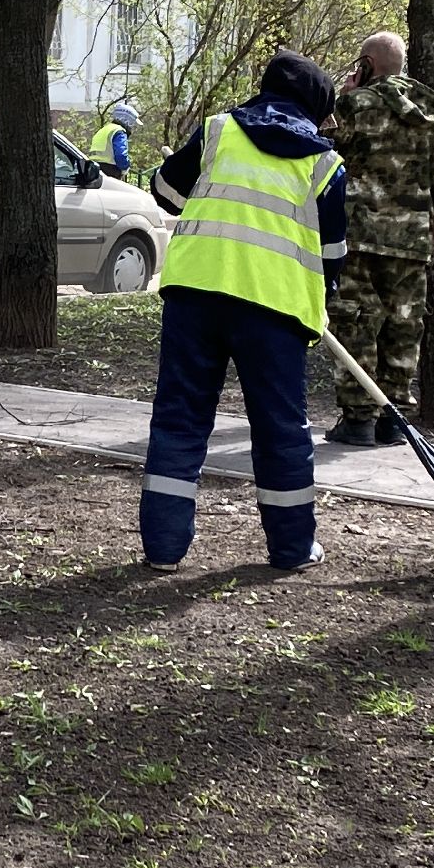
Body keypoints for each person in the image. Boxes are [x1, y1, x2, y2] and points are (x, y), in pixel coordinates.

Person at [141, 50, 348, 572]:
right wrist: (320, 302)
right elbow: (331, 256)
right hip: (275, 310)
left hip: (195, 293)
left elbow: (165, 191)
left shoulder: (218, 131)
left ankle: (163, 549)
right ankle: (292, 548)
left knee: (180, 419)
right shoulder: (325, 165)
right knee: (281, 429)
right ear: (315, 108)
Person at [322, 32, 434, 448]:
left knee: (356, 322)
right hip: (412, 239)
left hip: (359, 237)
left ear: (366, 63)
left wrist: (346, 96)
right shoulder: (433, 111)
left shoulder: (355, 105)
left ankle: (358, 419)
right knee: (404, 325)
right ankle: (394, 418)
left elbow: (322, 153)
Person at [88, 102, 141, 180]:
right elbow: (121, 154)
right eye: (132, 123)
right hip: (110, 171)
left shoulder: (103, 130)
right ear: (127, 120)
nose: (132, 127)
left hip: (93, 170)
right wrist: (125, 168)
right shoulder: (119, 131)